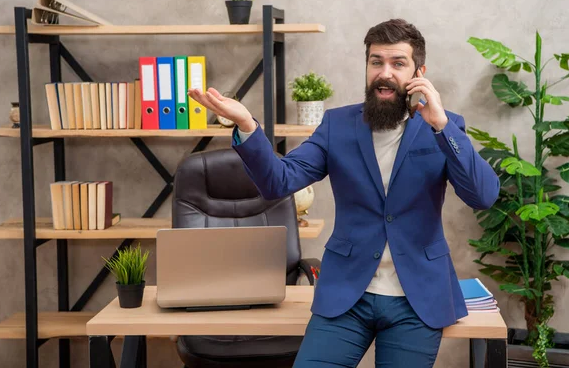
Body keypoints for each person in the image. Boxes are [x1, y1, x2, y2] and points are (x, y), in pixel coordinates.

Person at [188, 18, 500, 368]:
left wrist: (440, 125)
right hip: (347, 295)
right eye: (376, 62)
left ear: (419, 73)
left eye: (398, 64)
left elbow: (483, 196)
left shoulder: (445, 125)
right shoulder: (337, 125)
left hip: (417, 299)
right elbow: (279, 181)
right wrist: (248, 126)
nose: (385, 73)